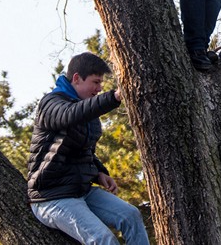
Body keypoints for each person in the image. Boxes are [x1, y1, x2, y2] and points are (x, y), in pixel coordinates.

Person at [27, 53, 148, 245]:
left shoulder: (86, 111)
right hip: (51, 197)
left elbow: (84, 150)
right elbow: (68, 115)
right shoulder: (50, 104)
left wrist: (99, 172)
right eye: (96, 82)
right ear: (76, 78)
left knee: (131, 216)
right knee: (103, 239)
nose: (99, 88)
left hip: (81, 190)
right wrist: (114, 97)